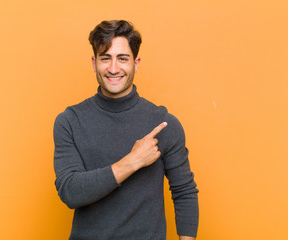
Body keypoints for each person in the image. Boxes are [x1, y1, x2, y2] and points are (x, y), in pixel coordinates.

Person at [53, 20, 199, 240]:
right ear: (94, 63)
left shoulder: (163, 124)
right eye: (105, 58)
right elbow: (70, 192)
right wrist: (133, 161)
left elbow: (185, 193)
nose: (113, 69)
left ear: (136, 63)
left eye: (122, 58)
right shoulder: (70, 121)